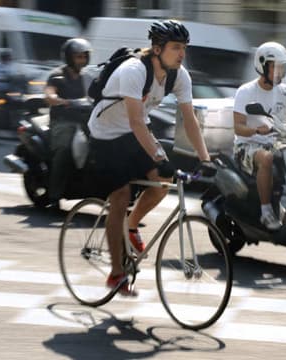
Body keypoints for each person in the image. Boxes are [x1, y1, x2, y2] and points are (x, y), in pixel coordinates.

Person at [87, 20, 211, 296]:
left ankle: (131, 227)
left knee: (164, 179)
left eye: (184, 48)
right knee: (120, 196)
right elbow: (135, 121)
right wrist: (158, 155)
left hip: (135, 132)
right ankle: (116, 274)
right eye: (176, 47)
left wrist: (206, 157)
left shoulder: (179, 76)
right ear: (157, 49)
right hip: (106, 135)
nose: (182, 54)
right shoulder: (133, 71)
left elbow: (189, 120)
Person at [233, 41, 286, 231]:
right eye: (276, 67)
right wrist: (256, 130)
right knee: (267, 158)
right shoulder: (246, 92)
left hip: (276, 144)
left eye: (283, 67)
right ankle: (266, 211)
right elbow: (238, 128)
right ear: (263, 66)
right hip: (247, 146)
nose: (280, 72)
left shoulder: (285, 92)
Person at [45, 38, 92, 209]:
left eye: (84, 56)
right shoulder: (57, 76)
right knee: (64, 150)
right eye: (78, 57)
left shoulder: (87, 77)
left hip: (85, 120)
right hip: (63, 122)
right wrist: (59, 100)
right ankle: (54, 196)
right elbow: (49, 95)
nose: (81, 60)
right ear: (69, 58)